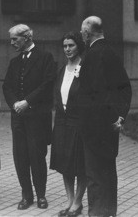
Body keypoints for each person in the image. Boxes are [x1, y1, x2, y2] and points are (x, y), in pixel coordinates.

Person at [78, 16, 132, 217]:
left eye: (82, 33)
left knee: (94, 175)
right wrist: (120, 117)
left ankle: (97, 214)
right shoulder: (112, 53)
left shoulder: (92, 55)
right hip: (111, 126)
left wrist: (108, 118)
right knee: (109, 172)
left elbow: (97, 93)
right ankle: (110, 212)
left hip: (94, 126)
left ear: (86, 33)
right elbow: (125, 88)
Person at [2, 24, 56, 210]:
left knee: (37, 156)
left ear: (27, 38)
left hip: (37, 117)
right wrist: (15, 104)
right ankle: (27, 195)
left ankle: (41, 195)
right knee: (20, 157)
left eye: (15, 39)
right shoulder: (14, 62)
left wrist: (27, 102)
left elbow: (48, 84)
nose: (12, 43)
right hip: (18, 118)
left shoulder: (45, 58)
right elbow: (7, 87)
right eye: (11, 39)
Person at [50, 32, 87, 217]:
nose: (67, 49)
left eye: (71, 45)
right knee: (65, 164)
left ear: (78, 46)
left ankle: (78, 203)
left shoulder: (85, 68)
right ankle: (70, 201)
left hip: (78, 123)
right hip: (62, 123)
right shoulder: (62, 70)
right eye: (64, 46)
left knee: (79, 164)